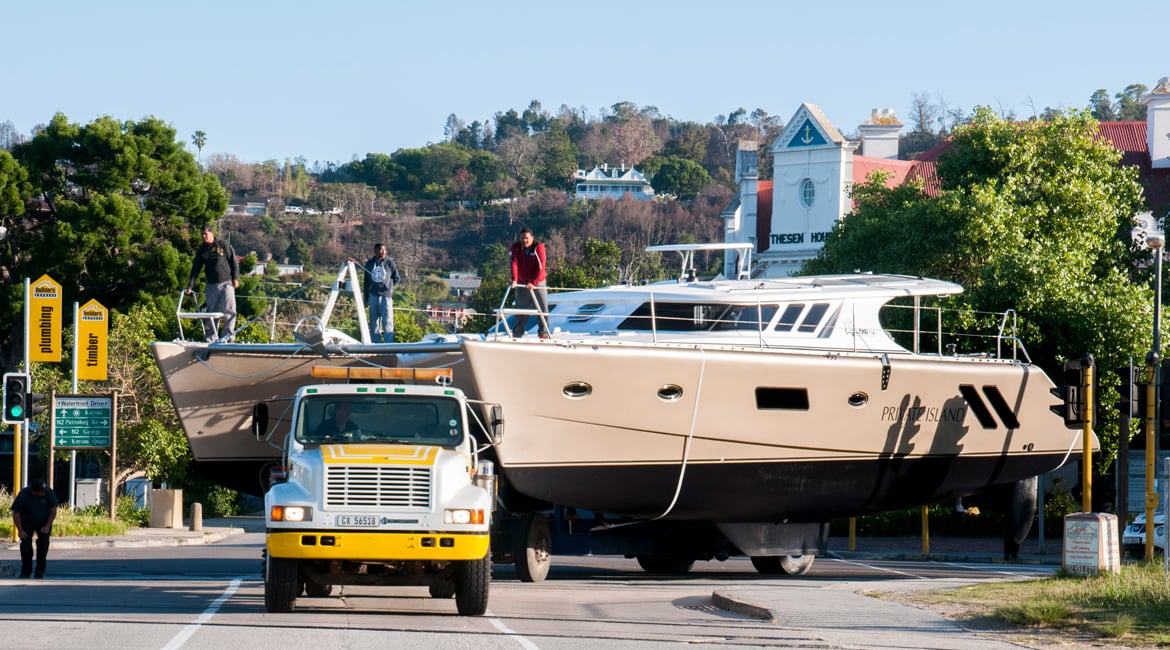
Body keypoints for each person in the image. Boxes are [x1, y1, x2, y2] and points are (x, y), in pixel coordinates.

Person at [186, 224, 240, 342]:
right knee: (211, 312)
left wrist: (235, 278)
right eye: (202, 235)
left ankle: (228, 336)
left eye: (206, 234)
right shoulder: (202, 250)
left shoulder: (223, 244)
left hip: (226, 283)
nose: (204, 237)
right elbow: (196, 268)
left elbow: (233, 261)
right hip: (211, 285)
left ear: (212, 233)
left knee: (229, 310)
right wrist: (190, 285)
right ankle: (211, 337)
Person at [11, 476, 58, 579]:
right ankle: (26, 571)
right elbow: (16, 513)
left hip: (44, 522)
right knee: (25, 545)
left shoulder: (49, 492)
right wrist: (20, 530)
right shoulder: (24, 494)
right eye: (42, 492)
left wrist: (47, 526)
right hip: (27, 522)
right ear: (34, 492)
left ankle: (40, 571)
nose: (44, 493)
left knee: (43, 545)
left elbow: (53, 511)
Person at [354, 243, 401, 343]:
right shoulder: (370, 264)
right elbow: (366, 283)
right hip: (373, 296)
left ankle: (389, 346)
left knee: (388, 322)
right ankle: (376, 345)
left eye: (384, 250)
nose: (383, 252)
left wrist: (389, 288)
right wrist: (366, 299)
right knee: (374, 323)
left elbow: (396, 278)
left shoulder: (390, 263)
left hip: (386, 297)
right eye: (381, 250)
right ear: (375, 251)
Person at [509, 227, 550, 339]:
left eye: (526, 238)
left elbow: (541, 267)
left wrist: (533, 282)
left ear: (532, 238)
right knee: (521, 310)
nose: (524, 241)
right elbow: (514, 264)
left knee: (542, 309)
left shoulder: (539, 248)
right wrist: (514, 279)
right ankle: (517, 334)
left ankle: (543, 334)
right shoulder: (516, 248)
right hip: (522, 283)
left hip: (538, 282)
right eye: (522, 238)